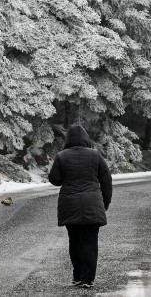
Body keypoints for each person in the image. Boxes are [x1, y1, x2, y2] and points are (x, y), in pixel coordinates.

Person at [48, 124, 113, 289]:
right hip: (93, 203)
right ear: (86, 139)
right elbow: (106, 181)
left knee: (75, 241)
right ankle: (88, 279)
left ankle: (77, 276)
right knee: (90, 242)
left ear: (68, 140)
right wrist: (105, 203)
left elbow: (54, 179)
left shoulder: (61, 156)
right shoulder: (95, 155)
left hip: (69, 205)